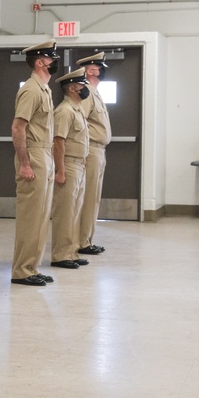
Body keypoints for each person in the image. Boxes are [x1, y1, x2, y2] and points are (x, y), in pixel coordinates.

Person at [11, 39, 61, 287]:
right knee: (31, 215)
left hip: (45, 153)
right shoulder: (31, 89)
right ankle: (21, 269)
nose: (55, 62)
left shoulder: (44, 89)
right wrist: (25, 163)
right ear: (41, 62)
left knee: (42, 215)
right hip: (34, 154)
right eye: (52, 58)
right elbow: (18, 127)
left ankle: (32, 266)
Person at [50, 68, 91, 270]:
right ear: (72, 88)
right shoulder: (64, 111)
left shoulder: (77, 109)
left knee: (74, 212)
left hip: (80, 165)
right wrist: (60, 170)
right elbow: (58, 141)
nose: (85, 88)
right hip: (69, 165)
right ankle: (60, 255)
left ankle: (71, 252)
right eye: (82, 85)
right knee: (65, 212)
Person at [76, 52, 112, 256]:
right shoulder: (87, 92)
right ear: (90, 71)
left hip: (99, 150)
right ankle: (82, 241)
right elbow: (79, 122)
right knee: (88, 197)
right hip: (90, 150)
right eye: (100, 67)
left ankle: (87, 239)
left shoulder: (95, 92)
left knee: (94, 198)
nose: (103, 70)